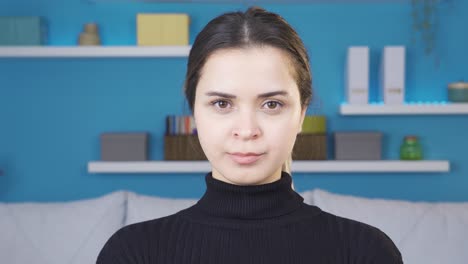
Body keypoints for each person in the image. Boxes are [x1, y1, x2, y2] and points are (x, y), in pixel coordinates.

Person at [96, 6, 403, 264]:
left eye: (272, 104)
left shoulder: (365, 251)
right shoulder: (132, 253)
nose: (247, 130)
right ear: (194, 113)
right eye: (222, 103)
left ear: (302, 114)